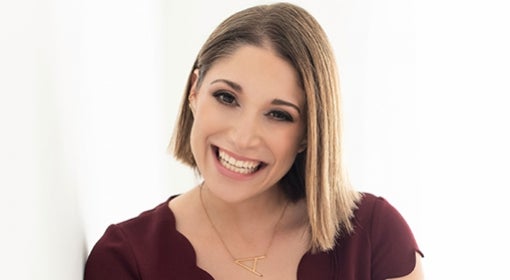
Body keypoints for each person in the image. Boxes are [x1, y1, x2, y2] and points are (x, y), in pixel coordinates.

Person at [84, 2, 423, 279]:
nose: (243, 137)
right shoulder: (126, 259)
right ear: (194, 90)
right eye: (227, 98)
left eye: (279, 114)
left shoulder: (372, 236)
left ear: (308, 133)